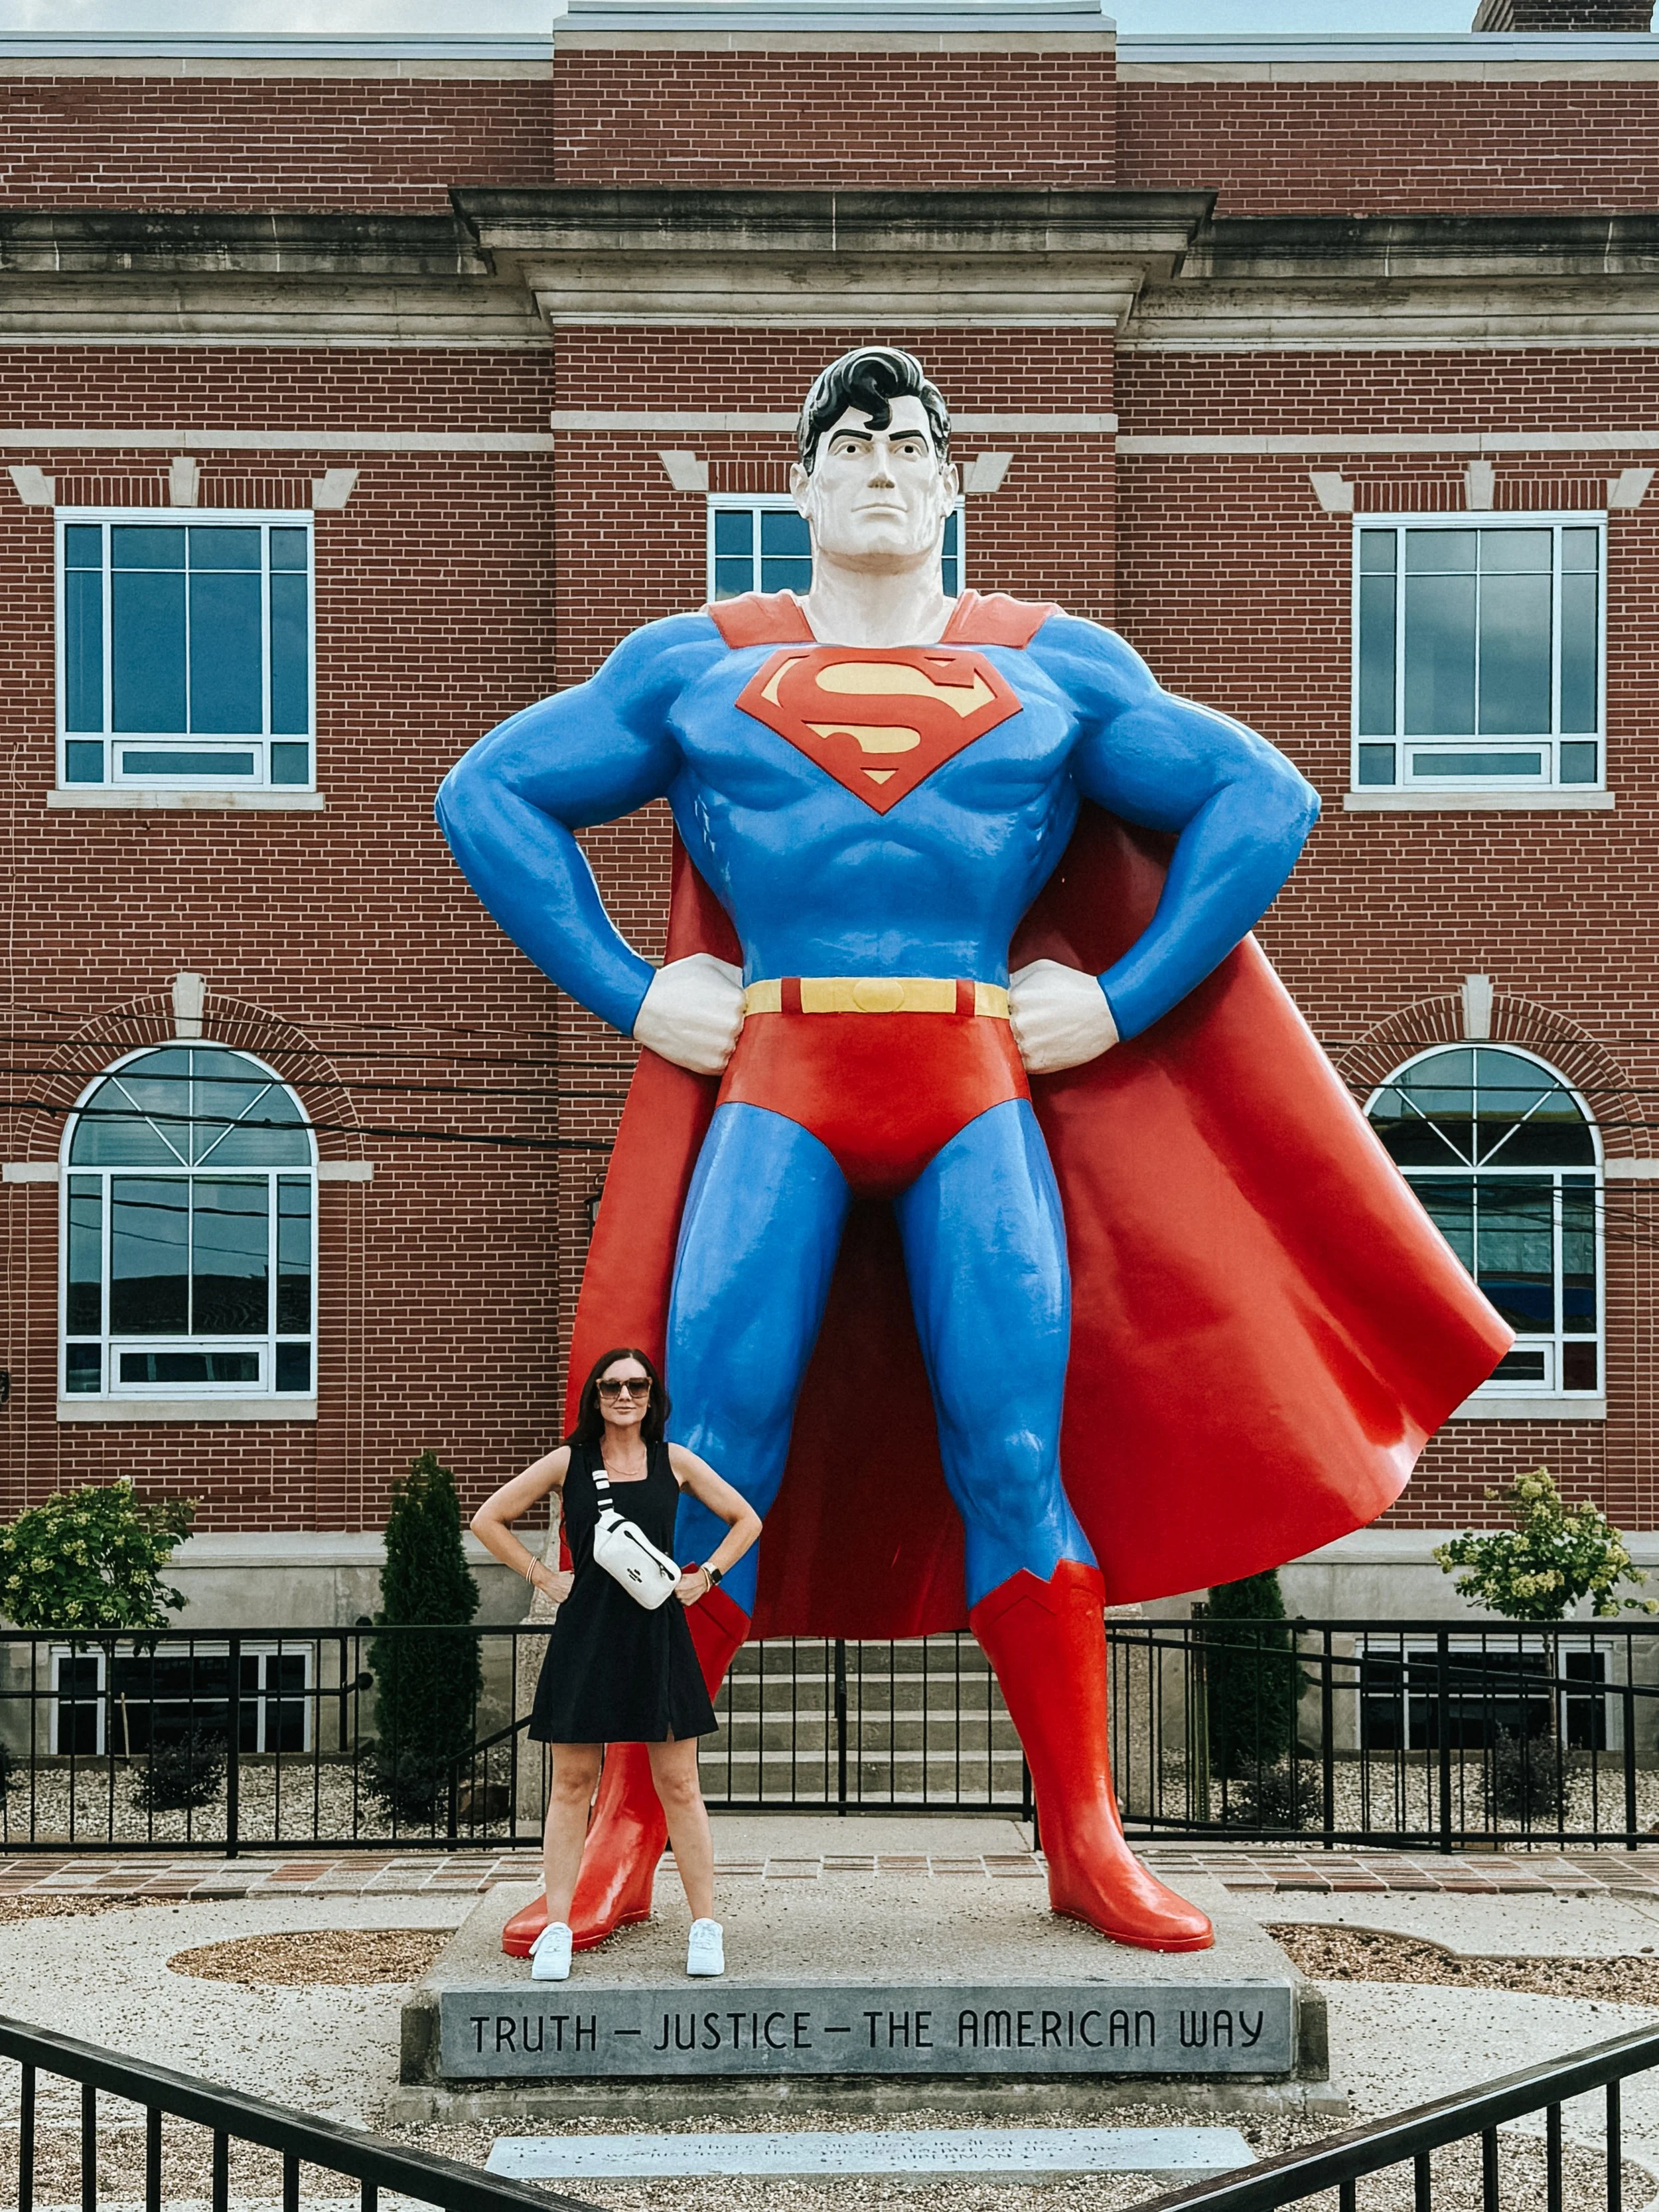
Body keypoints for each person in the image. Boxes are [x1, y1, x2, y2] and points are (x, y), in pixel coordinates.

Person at [437, 346, 1509, 1960]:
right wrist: (630, 987)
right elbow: (490, 793)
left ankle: (1084, 1836)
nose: (878, 463)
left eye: (908, 443)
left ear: (953, 481)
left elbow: (1261, 798)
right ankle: (631, 1841)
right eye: (847, 441)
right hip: (780, 1081)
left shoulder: (1054, 666)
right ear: (797, 487)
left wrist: (1127, 998)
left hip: (971, 1083)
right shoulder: (695, 664)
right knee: (703, 1450)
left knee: (1016, 1455)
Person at [469, 1345, 761, 1982]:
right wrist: (543, 1576)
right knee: (573, 1784)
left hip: (657, 1636)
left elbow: (747, 1519)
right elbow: (488, 1518)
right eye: (611, 1387)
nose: (624, 1397)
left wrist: (706, 1576)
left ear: (653, 1395)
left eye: (636, 1386)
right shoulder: (566, 1461)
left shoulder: (674, 1461)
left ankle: (705, 1925)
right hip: (587, 1636)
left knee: (679, 1784)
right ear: (594, 1396)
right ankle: (557, 1926)